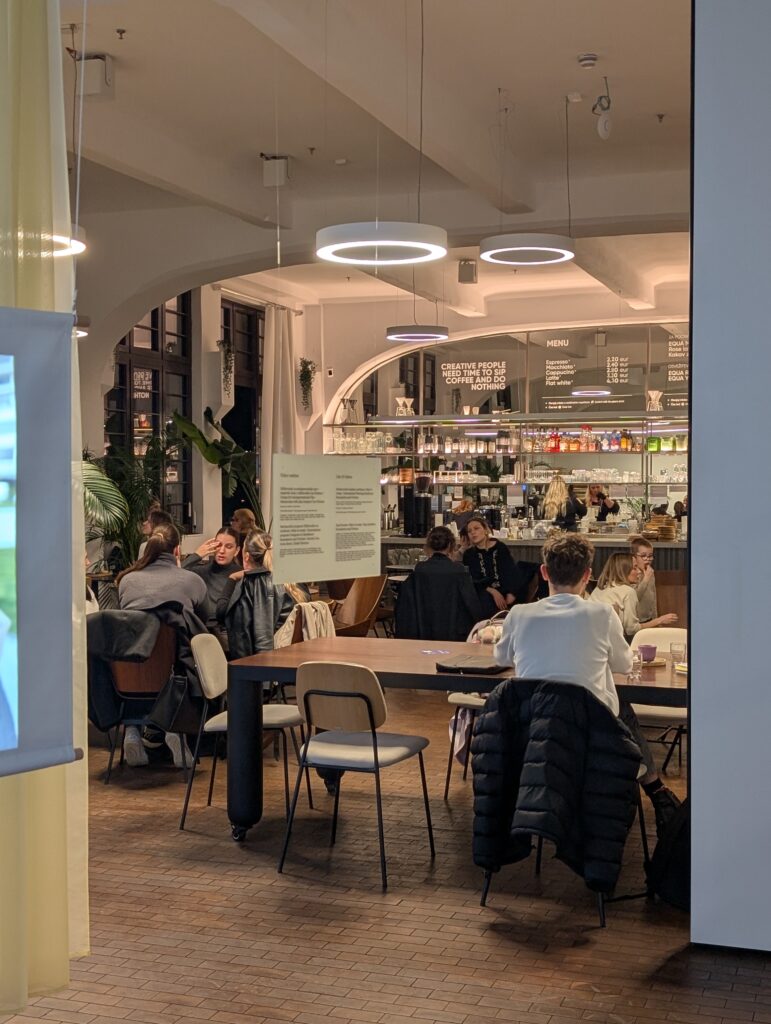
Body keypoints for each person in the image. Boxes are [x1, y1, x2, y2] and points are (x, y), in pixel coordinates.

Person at [494, 532, 679, 833]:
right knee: (620, 707)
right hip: (592, 734)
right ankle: (656, 791)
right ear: (587, 575)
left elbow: (502, 657)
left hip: (534, 732)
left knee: (615, 706)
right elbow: (623, 665)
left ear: (544, 572)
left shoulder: (519, 613)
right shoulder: (602, 614)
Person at [116, 523, 209, 767]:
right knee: (188, 655)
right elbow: (205, 619)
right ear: (177, 550)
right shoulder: (192, 580)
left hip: (130, 678)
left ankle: (132, 731)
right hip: (173, 678)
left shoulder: (126, 580)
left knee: (140, 664)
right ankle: (174, 729)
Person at [218, 528, 305, 660]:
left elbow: (261, 638)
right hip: (291, 660)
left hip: (261, 665)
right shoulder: (291, 582)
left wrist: (231, 578)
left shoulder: (255, 584)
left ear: (246, 556)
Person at [395, 526, 483, 641]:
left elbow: (405, 607)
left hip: (423, 634)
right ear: (450, 545)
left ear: (429, 546)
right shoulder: (458, 571)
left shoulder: (419, 571)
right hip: (454, 635)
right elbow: (471, 605)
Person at [590, 551, 677, 639]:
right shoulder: (628, 592)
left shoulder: (599, 588)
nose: (639, 571)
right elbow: (631, 629)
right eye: (635, 568)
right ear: (624, 570)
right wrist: (659, 620)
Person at [182, 526, 241, 648]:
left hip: (229, 633)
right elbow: (174, 575)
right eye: (218, 545)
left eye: (228, 546)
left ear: (236, 551)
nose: (222, 551)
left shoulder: (240, 575)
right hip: (201, 632)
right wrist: (197, 555)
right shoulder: (201, 571)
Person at [462, 515, 528, 617]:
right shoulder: (469, 554)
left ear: (485, 530)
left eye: (476, 528)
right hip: (484, 592)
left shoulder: (500, 548)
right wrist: (493, 591)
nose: (473, 533)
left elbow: (511, 571)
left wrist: (512, 592)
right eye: (469, 531)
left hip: (505, 589)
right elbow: (472, 579)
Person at [629, 535, 664, 626]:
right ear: (634, 557)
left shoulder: (650, 572)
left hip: (649, 618)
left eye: (650, 556)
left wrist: (656, 620)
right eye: (643, 556)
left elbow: (653, 598)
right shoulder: (632, 574)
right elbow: (634, 597)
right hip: (637, 621)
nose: (647, 559)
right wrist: (645, 579)